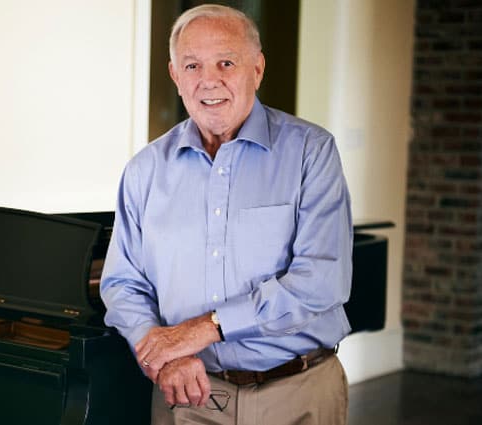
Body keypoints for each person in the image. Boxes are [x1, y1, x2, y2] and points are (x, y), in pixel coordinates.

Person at [99, 4, 352, 425]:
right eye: (192, 65)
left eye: (226, 62)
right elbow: (123, 284)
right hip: (190, 395)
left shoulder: (311, 152)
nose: (209, 80)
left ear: (257, 68)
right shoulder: (145, 170)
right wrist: (163, 356)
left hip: (299, 393)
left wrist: (200, 330)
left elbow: (322, 280)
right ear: (175, 75)